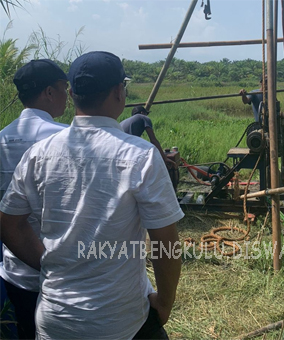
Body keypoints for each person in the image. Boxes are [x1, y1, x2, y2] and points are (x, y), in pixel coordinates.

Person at [0, 51, 184, 339]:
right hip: (120, 320)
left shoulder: (39, 153)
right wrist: (164, 303)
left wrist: (47, 262)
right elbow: (166, 242)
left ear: (72, 94)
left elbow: (9, 223)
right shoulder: (140, 155)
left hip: (55, 319)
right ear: (118, 92)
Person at [0, 59, 69, 339]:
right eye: (64, 89)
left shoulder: (2, 138)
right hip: (61, 272)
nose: (68, 96)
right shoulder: (66, 139)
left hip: (14, 270)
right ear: (49, 93)